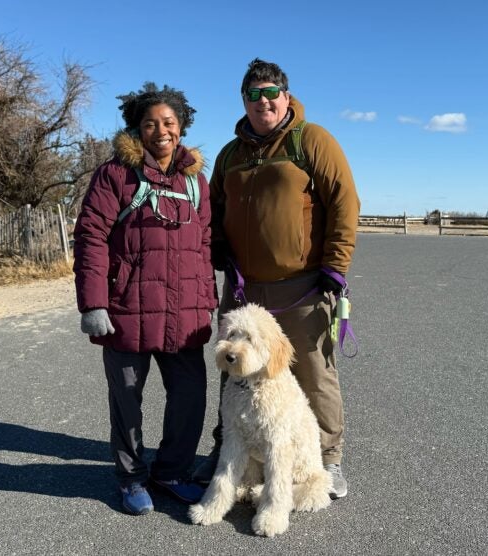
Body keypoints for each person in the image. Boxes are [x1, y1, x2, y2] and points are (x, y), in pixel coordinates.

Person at [194, 59, 361, 500]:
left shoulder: (312, 141)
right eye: (254, 95)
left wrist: (335, 265)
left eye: (271, 93)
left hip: (303, 284)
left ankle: (326, 459)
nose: (263, 102)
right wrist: (216, 249)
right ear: (244, 101)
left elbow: (345, 202)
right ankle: (230, 453)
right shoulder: (231, 154)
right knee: (236, 370)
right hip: (246, 287)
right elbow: (212, 209)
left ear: (286, 96)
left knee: (311, 370)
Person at [73, 82, 217, 516]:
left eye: (169, 123)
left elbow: (204, 242)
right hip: (126, 309)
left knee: (190, 396)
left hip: (185, 313)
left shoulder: (196, 181)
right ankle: (131, 478)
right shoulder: (115, 174)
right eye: (150, 123)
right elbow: (91, 236)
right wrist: (93, 303)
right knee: (127, 400)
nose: (161, 131)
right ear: (137, 129)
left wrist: (208, 300)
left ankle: (172, 471)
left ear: (182, 126)